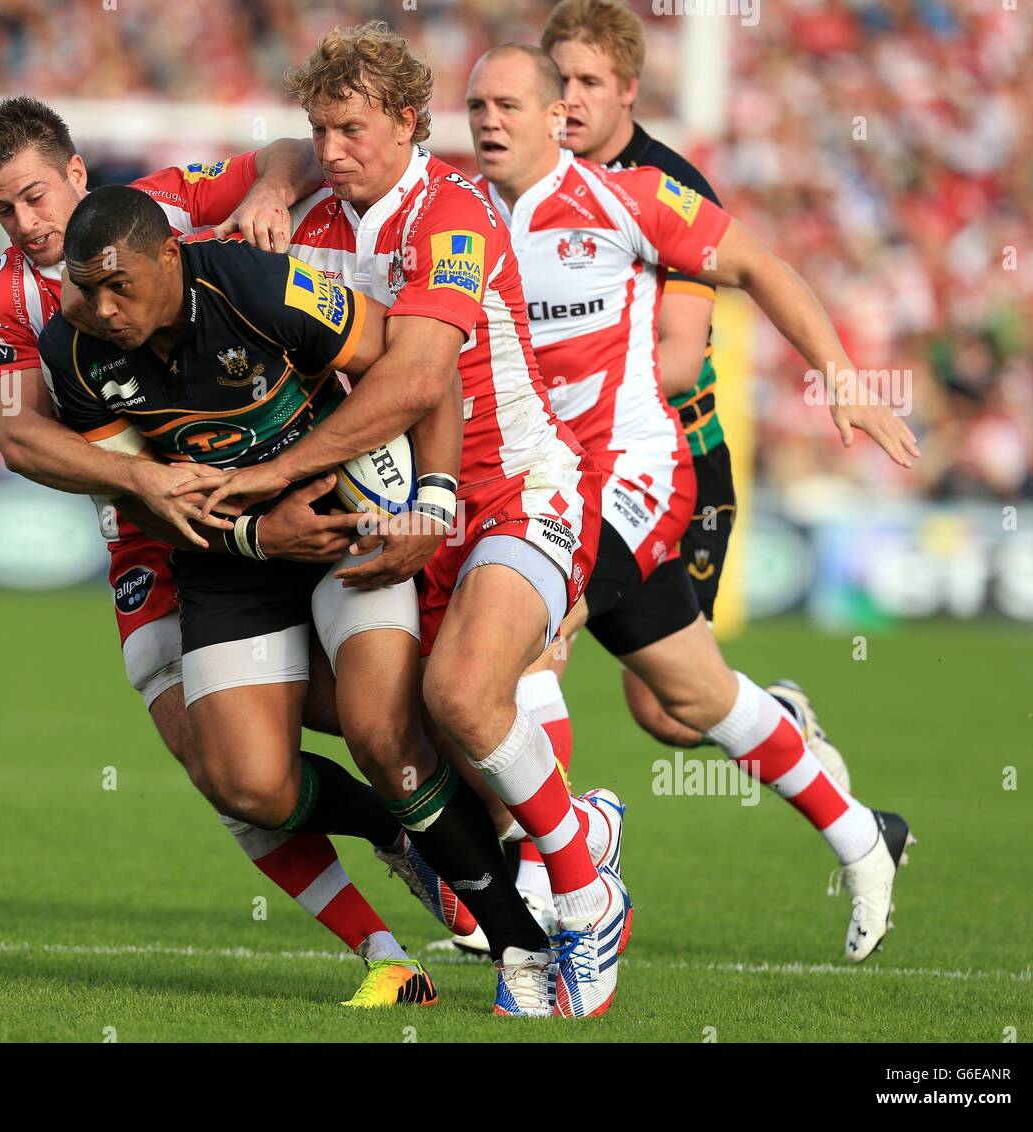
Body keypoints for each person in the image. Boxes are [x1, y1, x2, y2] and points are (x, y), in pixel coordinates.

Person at [0, 97, 460, 1005]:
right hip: (148, 538)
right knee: (222, 768)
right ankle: (388, 946)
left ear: (78, 174)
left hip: (291, 485)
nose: (26, 224)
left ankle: (490, 840)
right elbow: (21, 440)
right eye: (3, 208)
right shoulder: (2, 302)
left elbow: (286, 153)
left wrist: (271, 188)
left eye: (35, 196)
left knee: (374, 711)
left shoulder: (166, 209)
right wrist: (145, 483)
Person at [42, 184, 579, 1014]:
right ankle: (400, 833)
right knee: (247, 784)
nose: (104, 308)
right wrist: (257, 538)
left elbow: (419, 375)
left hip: (341, 523)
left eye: (122, 287)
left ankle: (519, 940)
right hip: (233, 556)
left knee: (382, 731)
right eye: (88, 288)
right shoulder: (72, 352)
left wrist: (433, 497)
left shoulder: (262, 285)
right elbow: (142, 499)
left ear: (169, 258)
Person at [188, 21, 629, 1019]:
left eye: (350, 130)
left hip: (517, 491)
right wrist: (270, 184)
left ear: (406, 122)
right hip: (396, 514)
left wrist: (278, 478)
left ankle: (585, 891)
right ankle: (557, 837)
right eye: (319, 132)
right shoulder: (318, 222)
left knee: (466, 695)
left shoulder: (455, 212)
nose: (332, 150)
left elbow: (421, 376)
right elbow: (284, 177)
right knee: (345, 718)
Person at [461, 42, 917, 964]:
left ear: (557, 119)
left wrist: (842, 377)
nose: (488, 121)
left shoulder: (631, 200)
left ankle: (560, 875)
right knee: (692, 697)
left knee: (525, 642)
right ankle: (863, 840)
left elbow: (760, 266)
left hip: (633, 478)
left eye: (510, 104)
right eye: (476, 106)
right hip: (539, 488)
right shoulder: (461, 220)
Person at [538, 0, 849, 780]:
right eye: (559, 79)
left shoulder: (668, 186)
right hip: (561, 464)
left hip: (672, 465)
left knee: (667, 712)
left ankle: (781, 719)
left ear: (629, 89)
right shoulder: (525, 178)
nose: (570, 97)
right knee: (529, 648)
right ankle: (544, 867)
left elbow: (679, 359)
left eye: (589, 81)